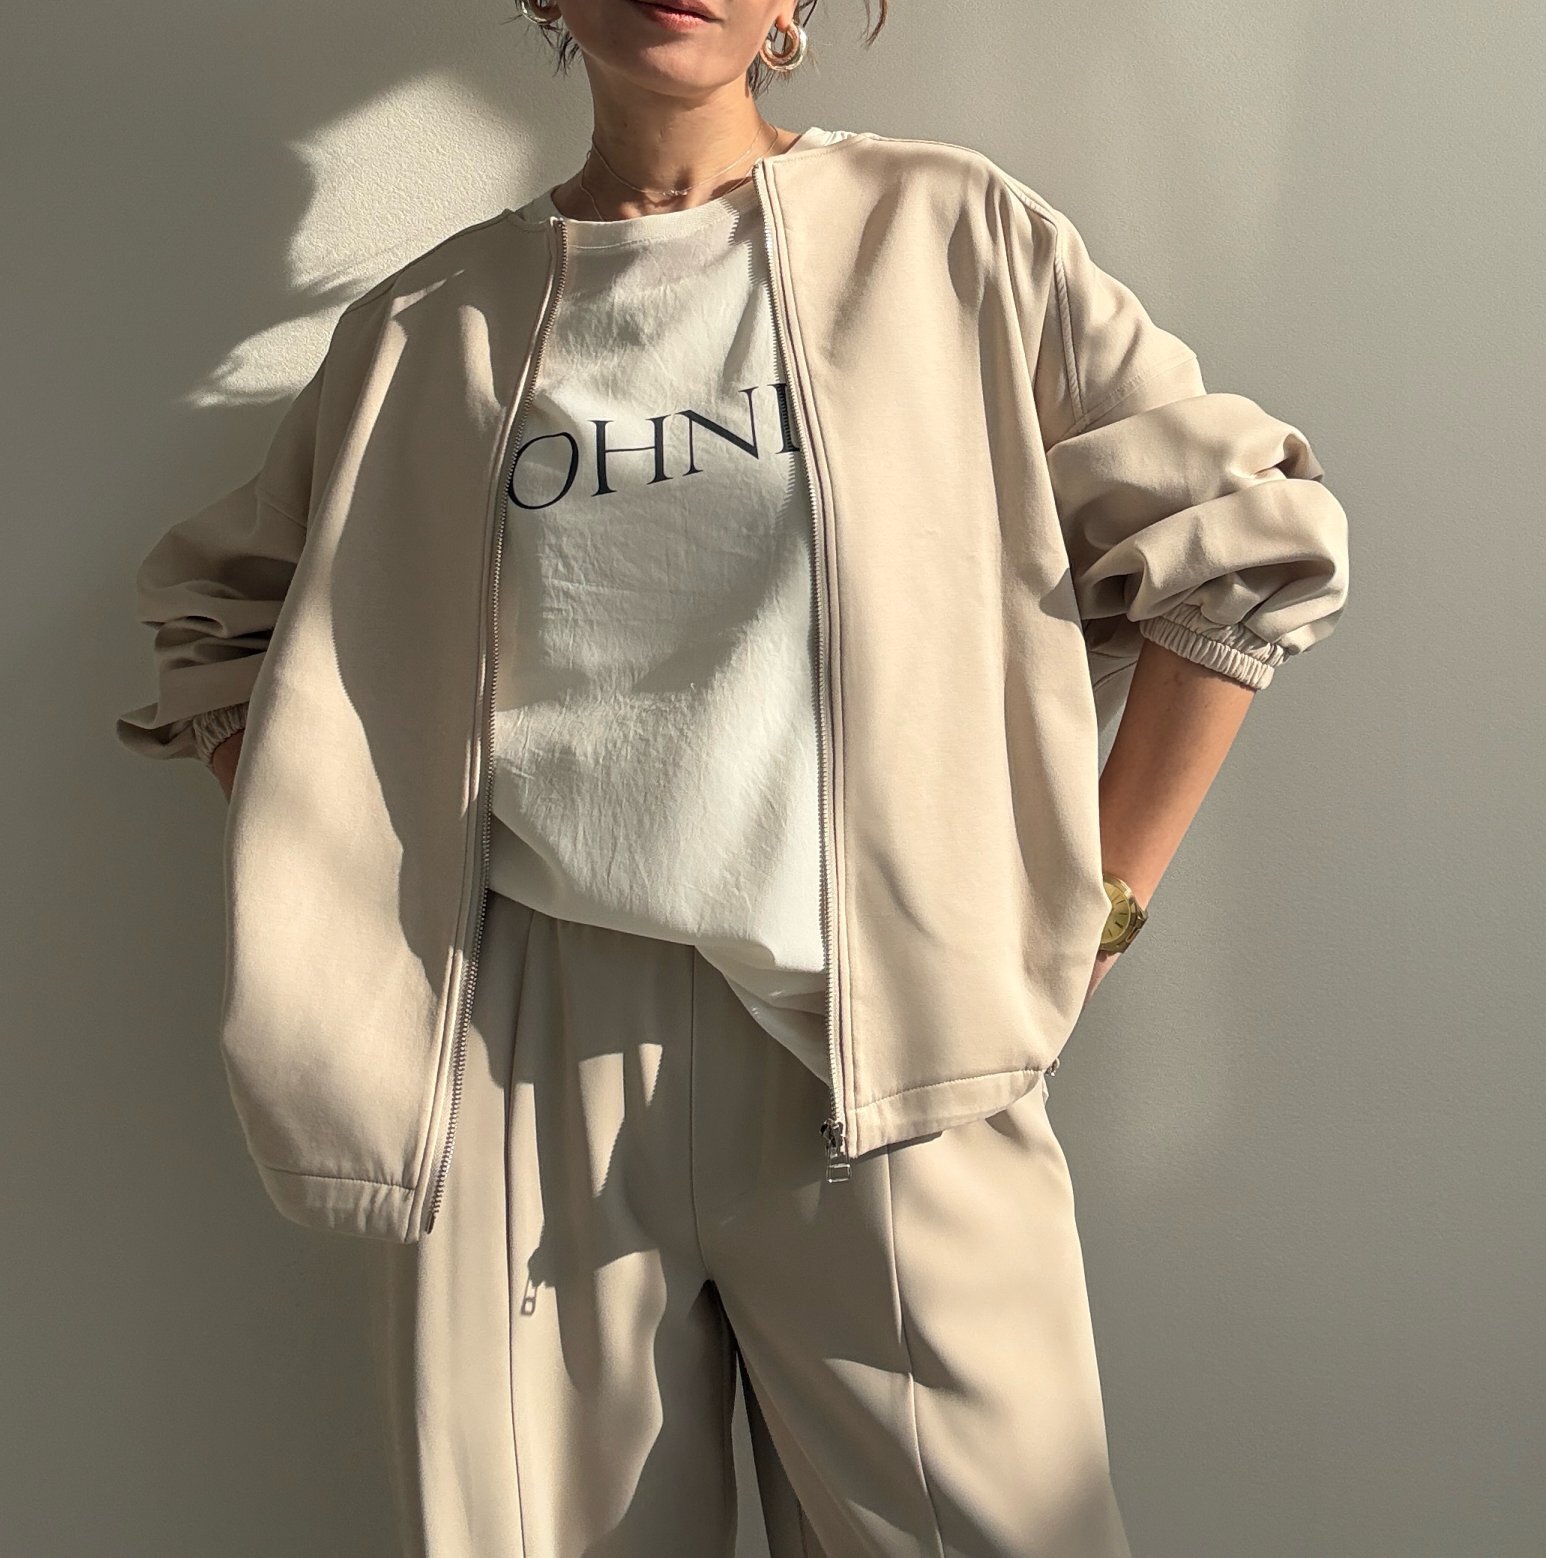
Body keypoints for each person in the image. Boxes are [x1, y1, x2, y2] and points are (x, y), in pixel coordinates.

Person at [113, 2, 1351, 1553]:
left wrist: (1097, 908)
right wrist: (368, 887)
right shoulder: (432, 326)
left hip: (885, 1028)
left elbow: (1242, 549)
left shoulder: (945, 234)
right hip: (524, 1048)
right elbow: (217, 624)